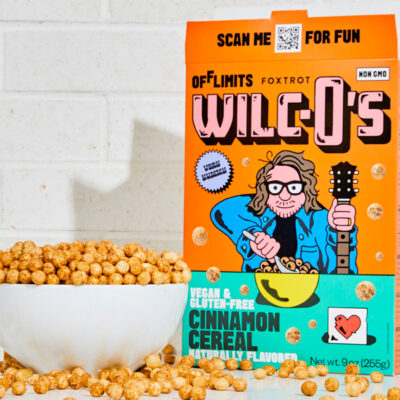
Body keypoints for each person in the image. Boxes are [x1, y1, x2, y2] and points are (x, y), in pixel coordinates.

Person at [211, 150, 357, 274]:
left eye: (294, 187)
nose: (285, 196)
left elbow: (343, 276)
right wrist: (254, 234)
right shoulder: (258, 211)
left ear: (306, 189)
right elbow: (220, 211)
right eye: (275, 187)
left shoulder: (321, 219)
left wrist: (340, 232)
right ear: (265, 191)